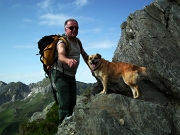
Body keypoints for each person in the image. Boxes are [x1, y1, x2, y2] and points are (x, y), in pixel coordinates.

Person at [51, 19, 89, 125]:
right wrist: (68, 60)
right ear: (65, 29)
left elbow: (85, 56)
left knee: (72, 103)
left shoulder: (78, 42)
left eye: (76, 28)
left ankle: (70, 126)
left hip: (71, 75)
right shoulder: (62, 41)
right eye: (71, 28)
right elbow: (61, 55)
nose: (74, 30)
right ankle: (63, 129)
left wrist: (92, 68)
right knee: (64, 104)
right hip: (60, 74)